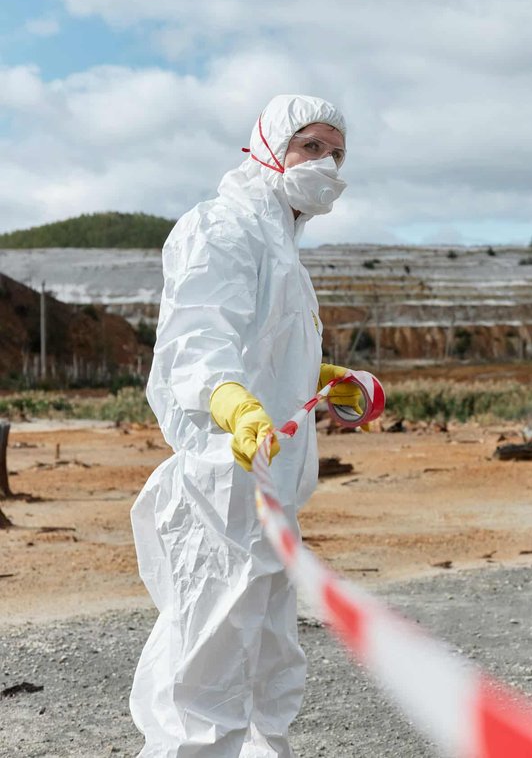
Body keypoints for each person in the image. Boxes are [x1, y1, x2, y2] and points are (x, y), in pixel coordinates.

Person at [130, 93, 364, 757]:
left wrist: (319, 384)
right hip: (221, 488)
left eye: (337, 153)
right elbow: (200, 337)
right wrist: (230, 401)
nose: (327, 163)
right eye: (310, 147)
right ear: (267, 147)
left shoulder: (282, 248)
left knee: (263, 666)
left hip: (269, 495)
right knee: (207, 680)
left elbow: (263, 349)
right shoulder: (223, 228)